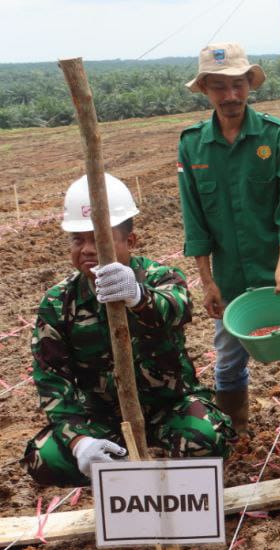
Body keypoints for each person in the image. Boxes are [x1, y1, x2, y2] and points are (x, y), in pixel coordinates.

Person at [22, 174, 232, 487]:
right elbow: (52, 382)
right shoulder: (57, 302)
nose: (88, 249)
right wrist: (80, 443)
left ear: (129, 242)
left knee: (207, 438)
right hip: (102, 418)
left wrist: (137, 295)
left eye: (99, 239)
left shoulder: (160, 277)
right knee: (43, 457)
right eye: (78, 240)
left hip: (169, 406)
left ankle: (167, 475)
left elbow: (177, 307)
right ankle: (115, 478)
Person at [177, 42, 280, 475]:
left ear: (249, 86)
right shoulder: (193, 146)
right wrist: (206, 281)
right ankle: (236, 440)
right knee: (227, 363)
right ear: (205, 89)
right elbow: (195, 222)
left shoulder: (277, 137)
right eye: (219, 86)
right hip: (230, 281)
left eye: (237, 84)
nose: (230, 95)